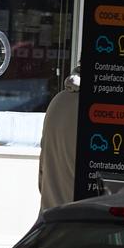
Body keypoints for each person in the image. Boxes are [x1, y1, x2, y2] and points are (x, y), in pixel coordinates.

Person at [38, 65, 80, 211]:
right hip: (83, 224)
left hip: (51, 222)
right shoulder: (100, 110)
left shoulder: (58, 101)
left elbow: (42, 175)